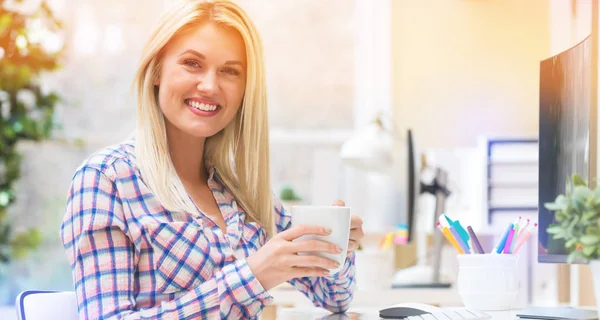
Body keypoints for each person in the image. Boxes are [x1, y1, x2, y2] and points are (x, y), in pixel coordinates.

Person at [59, 0, 364, 319]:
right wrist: (253, 276)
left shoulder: (243, 197)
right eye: (192, 63)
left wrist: (339, 247)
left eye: (230, 71)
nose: (209, 86)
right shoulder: (106, 179)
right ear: (157, 71)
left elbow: (335, 299)